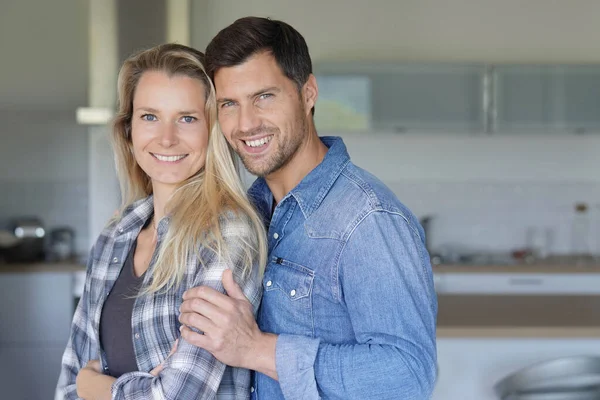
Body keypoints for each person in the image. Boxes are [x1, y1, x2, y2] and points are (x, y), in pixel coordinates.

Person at [178, 17, 438, 400]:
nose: (246, 124)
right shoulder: (246, 214)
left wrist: (257, 349)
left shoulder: (367, 219)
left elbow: (408, 376)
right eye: (229, 104)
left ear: (308, 93)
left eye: (264, 97)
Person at [55, 43, 267, 400]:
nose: (166, 138)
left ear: (212, 130)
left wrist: (97, 389)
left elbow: (180, 395)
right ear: (129, 130)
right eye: (150, 116)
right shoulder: (117, 234)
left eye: (187, 118)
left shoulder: (227, 234)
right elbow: (69, 381)